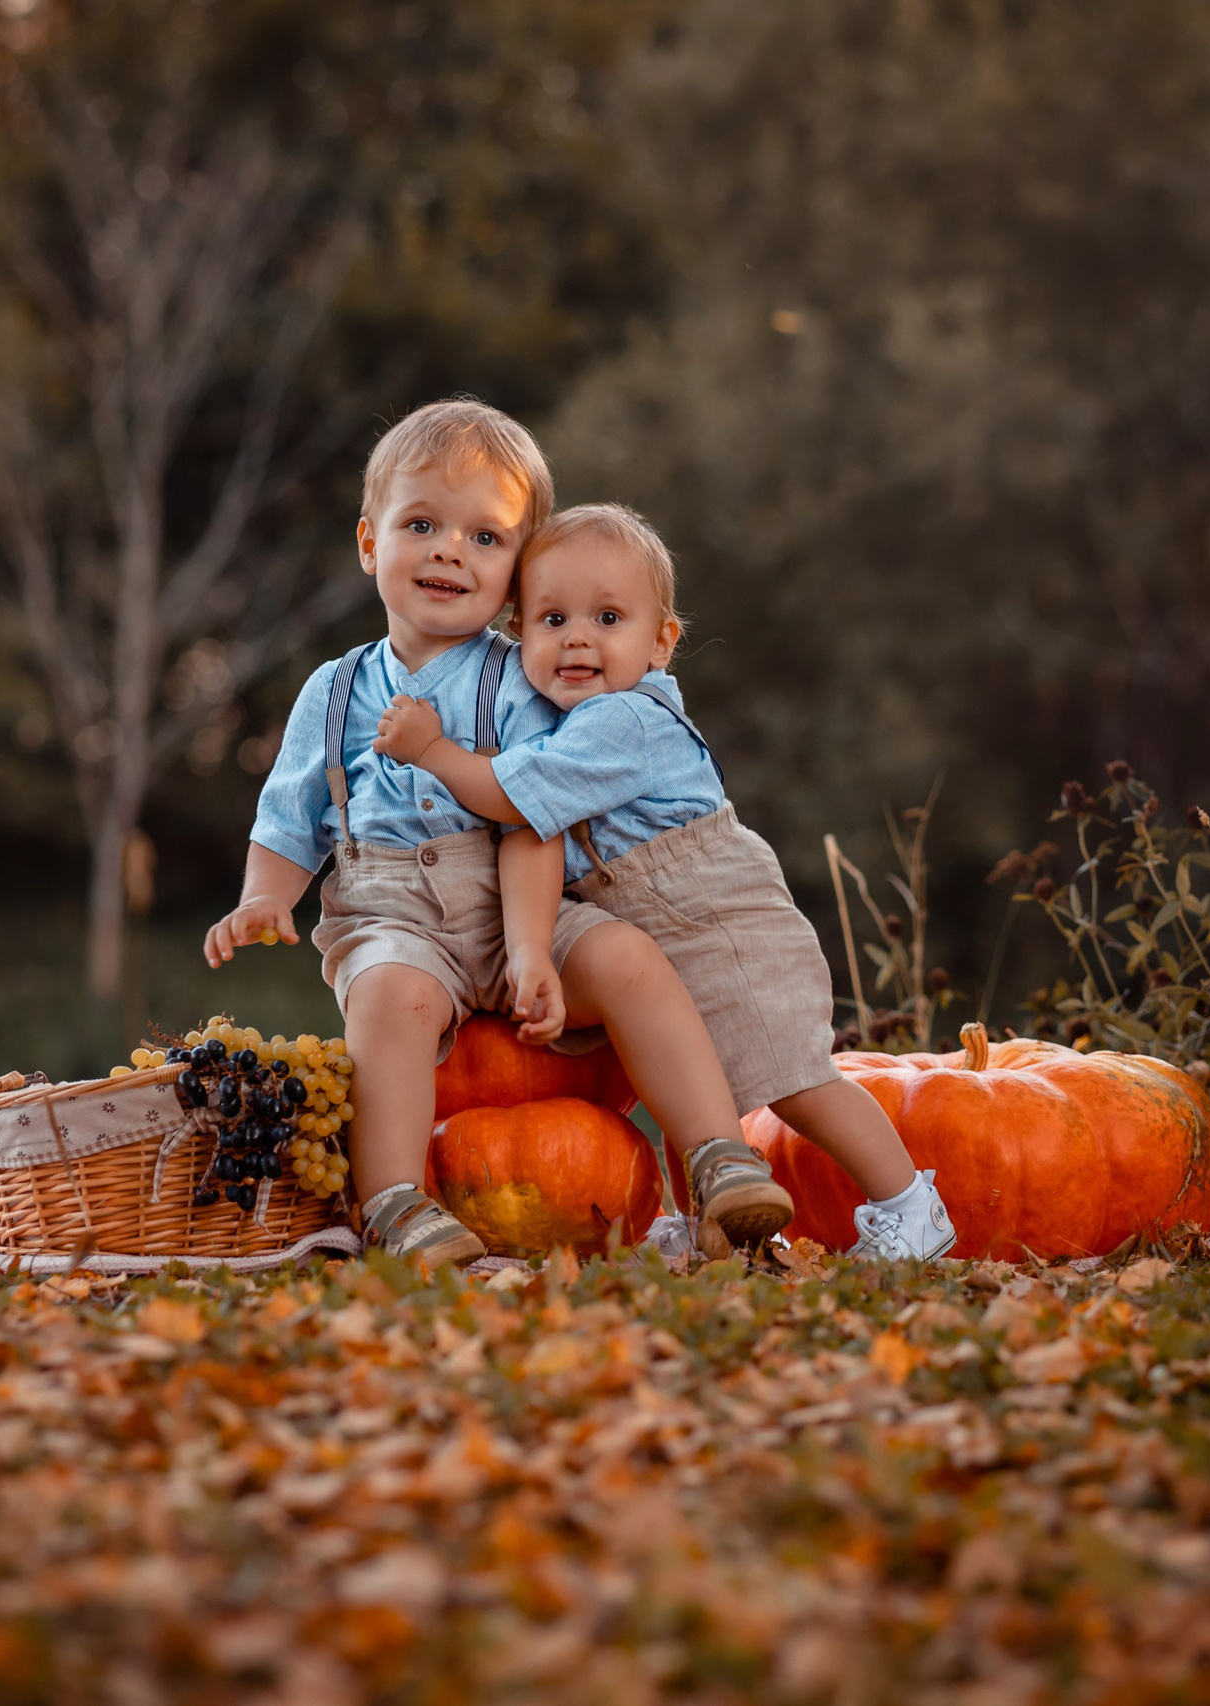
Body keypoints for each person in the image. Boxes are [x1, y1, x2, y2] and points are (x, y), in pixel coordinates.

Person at [206, 406, 791, 1269]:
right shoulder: (330, 694)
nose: (450, 551)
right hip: (393, 910)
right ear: (370, 543)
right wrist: (264, 896)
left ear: (516, 574)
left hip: (521, 894)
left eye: (484, 537)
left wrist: (529, 950)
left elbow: (530, 818)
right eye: (422, 525)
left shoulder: (523, 680)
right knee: (387, 1000)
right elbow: (291, 818)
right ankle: (397, 1203)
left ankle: (719, 1158)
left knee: (629, 957)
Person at [372, 502, 958, 1263]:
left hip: (721, 920)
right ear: (520, 640)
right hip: (659, 926)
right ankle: (711, 1220)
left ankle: (910, 1203)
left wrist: (433, 751)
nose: (577, 637)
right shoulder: (564, 726)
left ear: (660, 642)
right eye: (551, 619)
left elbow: (511, 797)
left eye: (607, 617)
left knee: (794, 1080)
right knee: (683, 1080)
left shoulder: (626, 722)